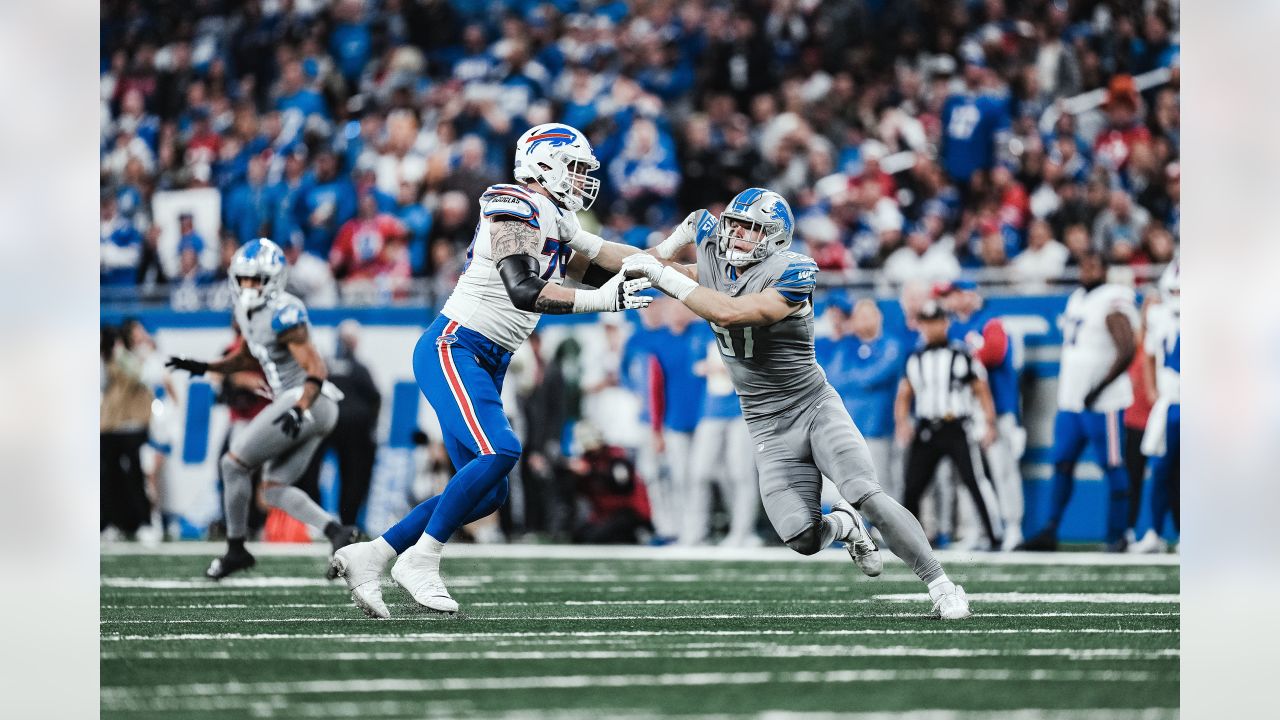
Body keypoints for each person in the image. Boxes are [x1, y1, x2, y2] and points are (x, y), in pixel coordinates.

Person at [331, 123, 664, 619]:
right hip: (455, 346)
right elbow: (524, 290)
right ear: (543, 164)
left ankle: (373, 554)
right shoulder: (514, 201)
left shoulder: (556, 217)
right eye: (573, 167)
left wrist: (679, 264)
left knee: (488, 489)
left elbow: (614, 259)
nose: (581, 179)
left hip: (486, 360)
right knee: (502, 450)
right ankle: (420, 560)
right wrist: (602, 299)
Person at [622, 188, 973, 620]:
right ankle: (843, 526)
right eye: (735, 224)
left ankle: (941, 584)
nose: (738, 236)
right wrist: (571, 241)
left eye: (752, 229)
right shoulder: (712, 260)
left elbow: (733, 312)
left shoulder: (794, 269)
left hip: (812, 405)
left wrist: (666, 277)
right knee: (802, 538)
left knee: (865, 492)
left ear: (775, 237)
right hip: (765, 423)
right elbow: (627, 258)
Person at [165, 238, 361, 579]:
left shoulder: (285, 311)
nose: (249, 285)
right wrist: (205, 367)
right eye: (244, 278)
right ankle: (337, 533)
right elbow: (246, 355)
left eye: (256, 279)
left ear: (273, 279)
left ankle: (236, 549)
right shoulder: (245, 310)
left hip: (309, 399)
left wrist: (300, 408)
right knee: (273, 488)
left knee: (232, 464)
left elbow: (316, 369)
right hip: (306, 404)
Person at [1018, 251, 1138, 551]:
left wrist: (1098, 388)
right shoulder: (1077, 298)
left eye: (1093, 263)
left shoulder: (1113, 297)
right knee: (1062, 465)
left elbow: (1127, 348)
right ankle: (1050, 530)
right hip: (1072, 402)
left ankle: (1117, 534)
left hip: (1103, 403)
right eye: (1084, 264)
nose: (1087, 269)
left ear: (1105, 268)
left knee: (1113, 466)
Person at [894, 300, 1004, 551]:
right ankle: (905, 540)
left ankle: (995, 535)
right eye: (926, 323)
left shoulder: (961, 354)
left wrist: (989, 422)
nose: (931, 328)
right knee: (912, 486)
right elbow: (905, 393)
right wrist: (902, 422)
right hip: (926, 429)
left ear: (945, 323)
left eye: (936, 322)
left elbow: (980, 388)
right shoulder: (915, 358)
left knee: (974, 481)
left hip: (956, 427)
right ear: (920, 325)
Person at [937, 280, 1026, 550]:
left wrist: (964, 357)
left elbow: (994, 353)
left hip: (997, 410)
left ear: (969, 295)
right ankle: (976, 530)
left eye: (953, 294)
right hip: (965, 413)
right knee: (969, 475)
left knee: (1003, 470)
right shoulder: (952, 328)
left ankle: (1013, 528)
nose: (949, 301)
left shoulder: (991, 322)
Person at [1132, 260, 1180, 552]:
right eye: (1175, 289)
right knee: (1161, 470)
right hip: (1170, 403)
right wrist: (1151, 389)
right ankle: (1154, 532)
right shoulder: (1160, 316)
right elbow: (1148, 353)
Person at [326, 320, 383, 527]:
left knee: (313, 471)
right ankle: (347, 522)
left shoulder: (325, 366)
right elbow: (375, 398)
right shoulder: (359, 370)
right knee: (355, 477)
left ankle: (318, 521)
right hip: (356, 431)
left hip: (329, 427)